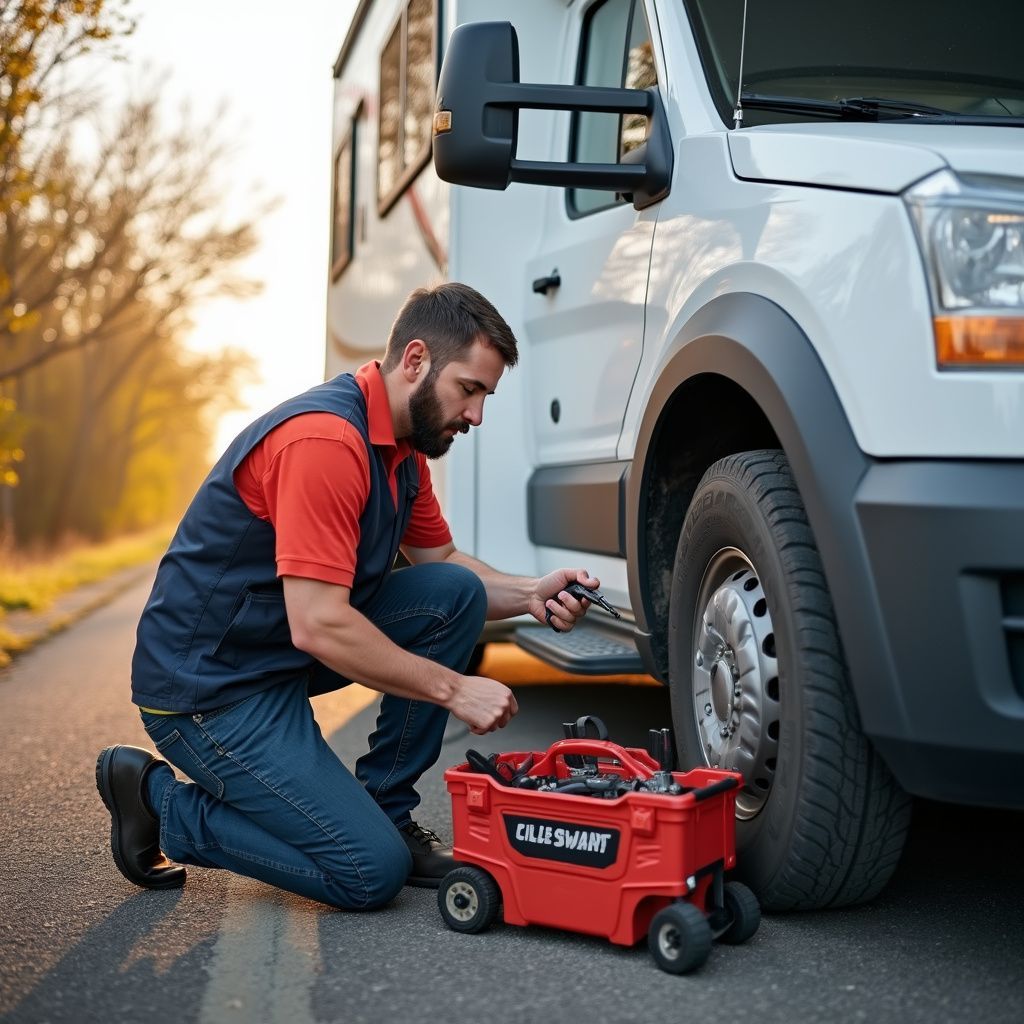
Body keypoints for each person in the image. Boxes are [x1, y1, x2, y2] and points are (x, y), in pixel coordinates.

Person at [95, 282, 600, 910]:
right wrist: (454, 688)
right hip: (209, 694)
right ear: (416, 360)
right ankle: (160, 803)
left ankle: (386, 813)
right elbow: (319, 624)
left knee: (452, 592)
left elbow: (441, 564)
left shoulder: (403, 449)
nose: (476, 416)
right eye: (469, 390)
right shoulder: (325, 444)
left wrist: (530, 592)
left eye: (485, 397)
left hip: (276, 659)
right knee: (367, 874)